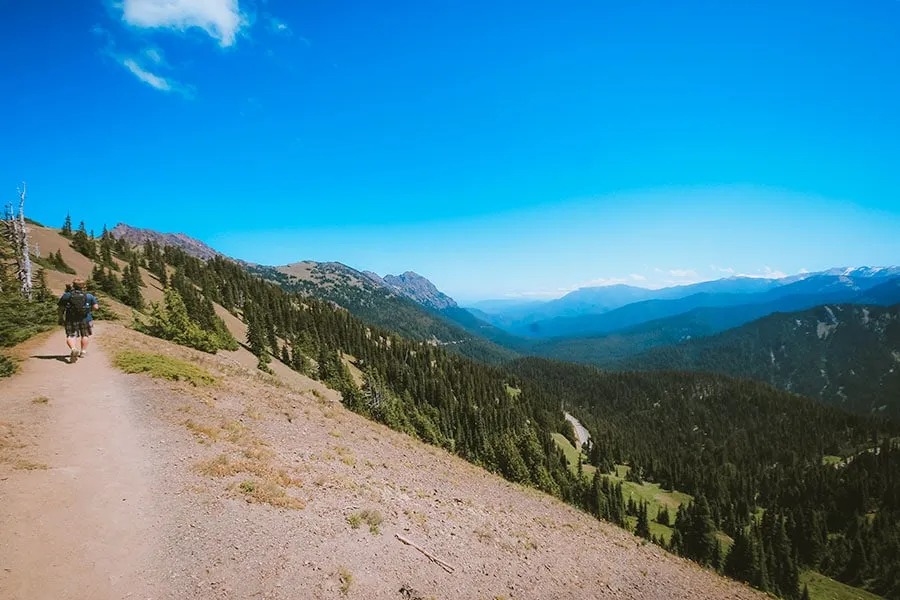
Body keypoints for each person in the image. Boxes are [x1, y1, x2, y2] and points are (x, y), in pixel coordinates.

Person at [58, 278, 99, 363]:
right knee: (85, 335)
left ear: (73, 285)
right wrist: (89, 310)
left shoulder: (67, 295)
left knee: (71, 335)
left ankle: (73, 349)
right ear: (84, 286)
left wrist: (61, 318)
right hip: (85, 318)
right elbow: (96, 307)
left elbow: (61, 308)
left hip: (70, 319)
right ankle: (83, 352)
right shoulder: (89, 296)